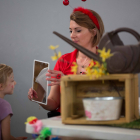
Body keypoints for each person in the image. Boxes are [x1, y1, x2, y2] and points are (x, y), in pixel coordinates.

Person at [28, 7, 105, 115]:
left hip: (95, 118)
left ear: (93, 32)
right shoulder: (63, 60)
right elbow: (54, 103)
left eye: (78, 30)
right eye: (70, 31)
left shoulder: (106, 62)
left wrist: (69, 81)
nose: (72, 35)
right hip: (64, 119)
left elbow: (107, 99)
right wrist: (40, 99)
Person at [0, 64, 27, 140]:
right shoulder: (4, 105)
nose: (15, 83)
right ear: (1, 86)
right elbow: (6, 138)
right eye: (12, 81)